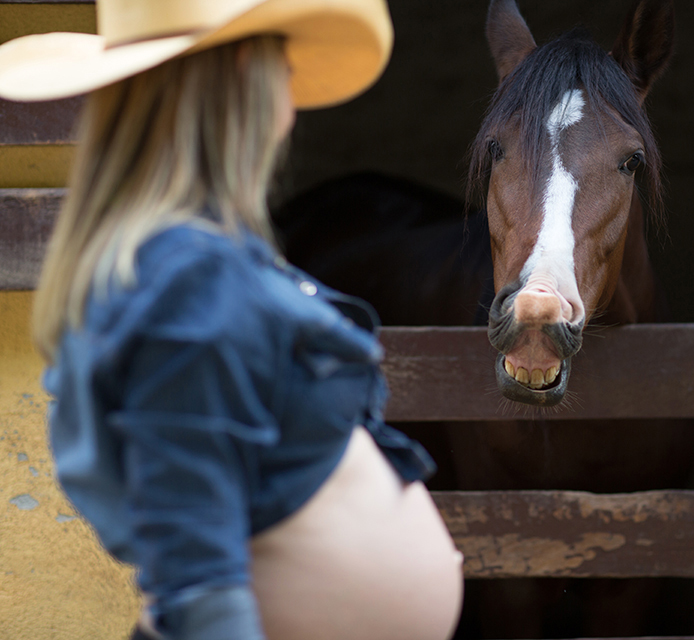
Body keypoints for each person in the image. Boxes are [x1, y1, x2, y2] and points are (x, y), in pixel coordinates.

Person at [0, 1, 464, 639]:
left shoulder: (190, 261)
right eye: (286, 67)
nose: (294, 100)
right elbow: (198, 577)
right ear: (249, 68)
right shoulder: (189, 281)